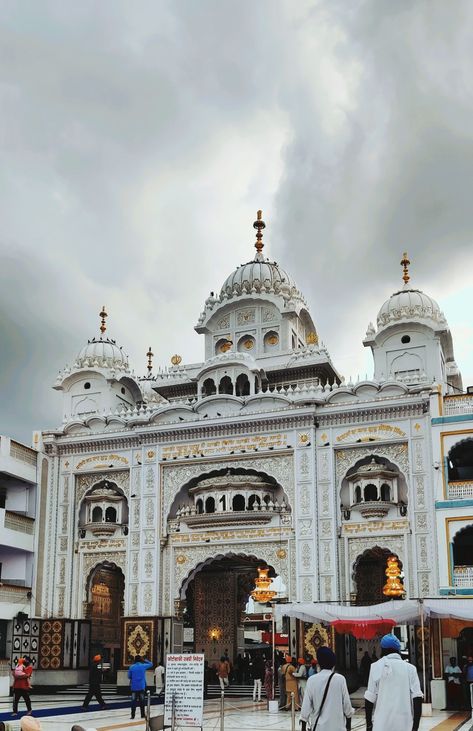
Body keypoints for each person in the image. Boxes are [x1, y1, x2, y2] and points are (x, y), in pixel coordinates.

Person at [364, 634, 423, 731]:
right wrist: (415, 727)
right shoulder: (410, 669)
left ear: (382, 649)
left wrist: (369, 725)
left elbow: (369, 699)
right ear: (398, 650)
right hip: (404, 725)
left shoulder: (375, 667)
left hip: (381, 725)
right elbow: (417, 699)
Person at [300, 647, 353, 731]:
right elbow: (347, 705)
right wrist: (348, 725)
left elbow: (306, 706)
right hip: (337, 727)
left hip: (319, 727)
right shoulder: (340, 679)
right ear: (333, 664)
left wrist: (303, 727)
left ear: (319, 663)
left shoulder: (312, 680)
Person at [128, 655, 153, 719]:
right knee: (142, 701)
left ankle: (132, 715)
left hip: (134, 686)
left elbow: (129, 676)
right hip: (141, 686)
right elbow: (151, 664)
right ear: (140, 660)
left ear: (134, 660)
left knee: (133, 701)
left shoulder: (131, 667)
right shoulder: (143, 666)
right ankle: (142, 714)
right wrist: (144, 660)